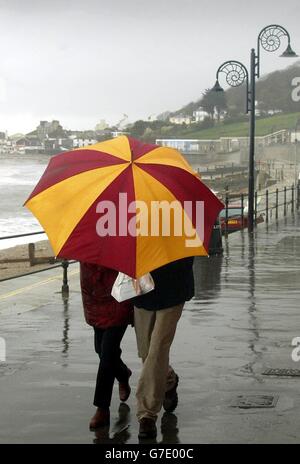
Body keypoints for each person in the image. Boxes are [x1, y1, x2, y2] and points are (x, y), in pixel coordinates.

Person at [133, 257, 194, 439]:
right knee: (146, 352)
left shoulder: (181, 227)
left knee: (157, 350)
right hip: (143, 289)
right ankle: (168, 380)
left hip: (173, 287)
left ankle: (147, 414)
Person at [80, 262, 133, 429]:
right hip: (95, 295)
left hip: (119, 294)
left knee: (107, 352)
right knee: (100, 349)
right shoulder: (87, 239)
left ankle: (102, 408)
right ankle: (123, 373)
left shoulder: (122, 236)